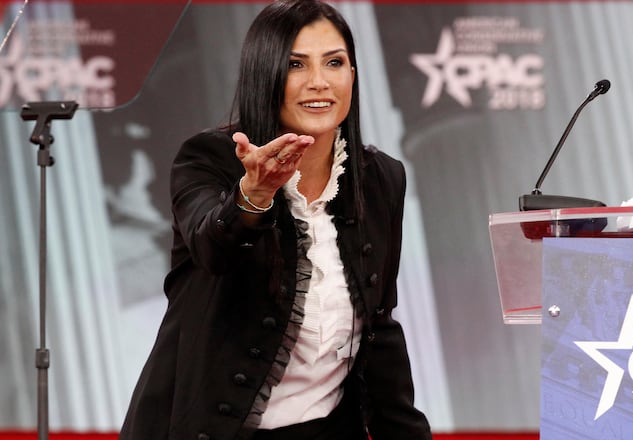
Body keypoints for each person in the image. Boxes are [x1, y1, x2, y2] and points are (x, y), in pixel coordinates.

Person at [118, 1, 433, 439]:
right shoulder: (207, 159)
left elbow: (378, 329)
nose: (319, 82)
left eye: (335, 62)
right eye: (295, 65)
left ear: (353, 76)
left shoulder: (381, 179)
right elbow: (212, 248)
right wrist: (254, 195)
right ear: (265, 75)